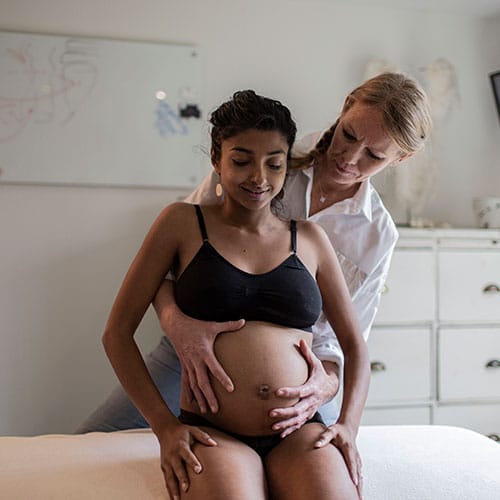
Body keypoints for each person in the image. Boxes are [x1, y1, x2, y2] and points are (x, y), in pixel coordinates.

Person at [77, 72, 431, 434]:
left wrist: (326, 385)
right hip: (192, 355)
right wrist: (177, 324)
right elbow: (169, 260)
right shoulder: (266, 159)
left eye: (373, 154)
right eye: (350, 135)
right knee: (92, 442)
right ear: (345, 108)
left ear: (401, 158)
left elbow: (345, 341)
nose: (349, 157)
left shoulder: (376, 234)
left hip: (295, 390)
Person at [100, 89, 370, 500]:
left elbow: (355, 346)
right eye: (241, 160)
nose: (259, 178)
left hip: (299, 430)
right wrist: (165, 427)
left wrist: (347, 426)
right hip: (214, 432)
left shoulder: (311, 239)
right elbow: (117, 333)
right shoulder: (181, 222)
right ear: (216, 159)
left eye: (274, 164)